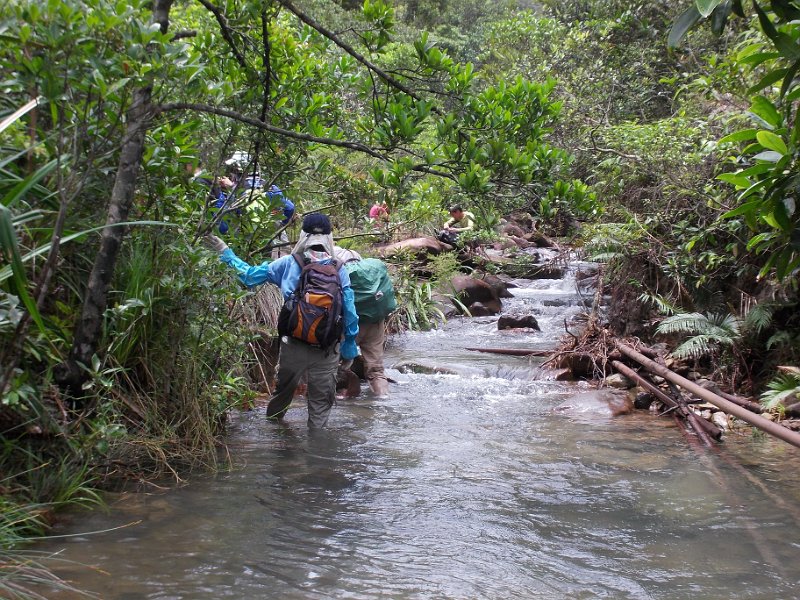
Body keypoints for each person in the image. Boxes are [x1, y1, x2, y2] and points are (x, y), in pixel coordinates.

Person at [204, 213, 359, 428]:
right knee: (320, 408)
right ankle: (318, 458)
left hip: (292, 345)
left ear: (303, 235)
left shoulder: (287, 263)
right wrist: (350, 348)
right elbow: (350, 312)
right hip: (326, 349)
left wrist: (225, 252)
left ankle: (276, 444)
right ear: (330, 237)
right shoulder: (339, 269)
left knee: (281, 397)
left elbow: (248, 276)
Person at [333, 246, 397, 397]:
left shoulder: (334, 260)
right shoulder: (366, 265)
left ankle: (342, 394)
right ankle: (383, 399)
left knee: (336, 363)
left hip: (350, 324)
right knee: (376, 371)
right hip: (375, 322)